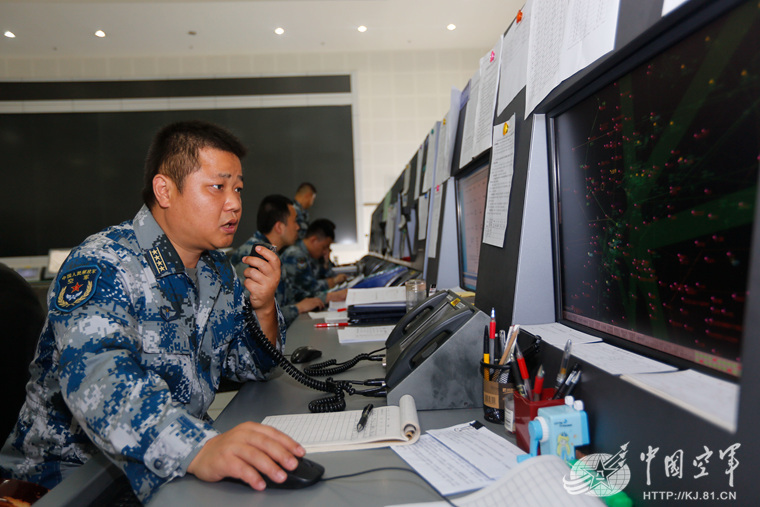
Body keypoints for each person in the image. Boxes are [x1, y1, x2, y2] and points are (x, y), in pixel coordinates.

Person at [0, 121, 306, 503]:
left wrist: (263, 310)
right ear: (165, 190)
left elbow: (252, 366)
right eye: (218, 187)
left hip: (169, 464)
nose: (234, 203)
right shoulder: (103, 264)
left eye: (238, 189)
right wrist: (197, 447)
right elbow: (98, 380)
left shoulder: (217, 270)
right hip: (72, 481)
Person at [229, 194, 324, 327]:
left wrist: (324, 298)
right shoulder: (256, 256)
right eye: (294, 221)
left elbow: (290, 295)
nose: (298, 227)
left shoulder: (271, 253)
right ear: (279, 227)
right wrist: (297, 309)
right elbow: (251, 318)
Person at [280, 219, 348, 305]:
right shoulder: (296, 255)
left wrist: (326, 262)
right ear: (313, 240)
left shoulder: (311, 255)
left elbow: (323, 276)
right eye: (324, 247)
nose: (325, 251)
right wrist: (332, 282)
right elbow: (308, 289)